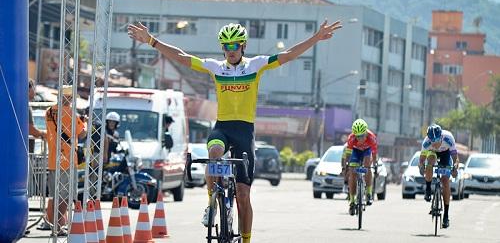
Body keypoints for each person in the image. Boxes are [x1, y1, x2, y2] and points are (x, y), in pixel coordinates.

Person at [128, 19, 342, 243]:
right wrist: (151, 41)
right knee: (214, 153)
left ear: (243, 46)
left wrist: (316, 38)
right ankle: (212, 203)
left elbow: (287, 55)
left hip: (245, 132)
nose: (231, 50)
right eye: (227, 46)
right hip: (222, 127)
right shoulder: (215, 67)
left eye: (235, 45)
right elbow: (181, 57)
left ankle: (246, 239)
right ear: (223, 48)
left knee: (243, 195)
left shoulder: (255, 65)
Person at [41, 85, 86, 235]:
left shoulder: (48, 112)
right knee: (66, 196)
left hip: (54, 159)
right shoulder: (71, 113)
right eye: (72, 97)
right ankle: (57, 226)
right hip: (67, 159)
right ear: (68, 97)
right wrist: (84, 122)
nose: (73, 100)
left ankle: (56, 224)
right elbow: (82, 134)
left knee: (56, 195)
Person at [418, 124, 459, 229]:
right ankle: (428, 188)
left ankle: (446, 215)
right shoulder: (427, 142)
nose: (435, 144)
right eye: (433, 142)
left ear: (441, 137)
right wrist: (422, 166)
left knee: (445, 181)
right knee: (430, 161)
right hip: (433, 154)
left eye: (437, 141)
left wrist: (455, 167)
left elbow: (455, 158)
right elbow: (422, 159)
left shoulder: (448, 138)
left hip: (446, 154)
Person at [342, 118, 378, 215]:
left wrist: (375, 164)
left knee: (367, 167)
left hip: (367, 151)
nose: (360, 139)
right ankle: (352, 201)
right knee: (353, 173)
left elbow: (374, 154)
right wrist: (346, 166)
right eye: (357, 136)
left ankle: (369, 193)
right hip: (356, 152)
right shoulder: (351, 138)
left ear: (366, 132)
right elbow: (348, 154)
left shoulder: (371, 137)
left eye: (362, 136)